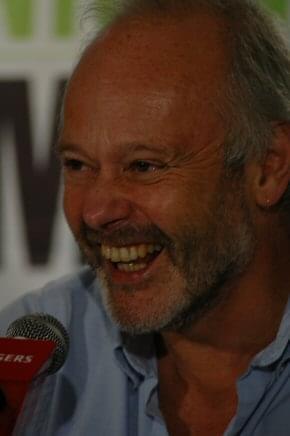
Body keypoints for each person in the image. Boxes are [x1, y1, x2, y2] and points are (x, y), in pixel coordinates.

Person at [2, 0, 290, 434]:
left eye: (143, 166)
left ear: (268, 167)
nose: (96, 212)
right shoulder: (34, 348)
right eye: (78, 165)